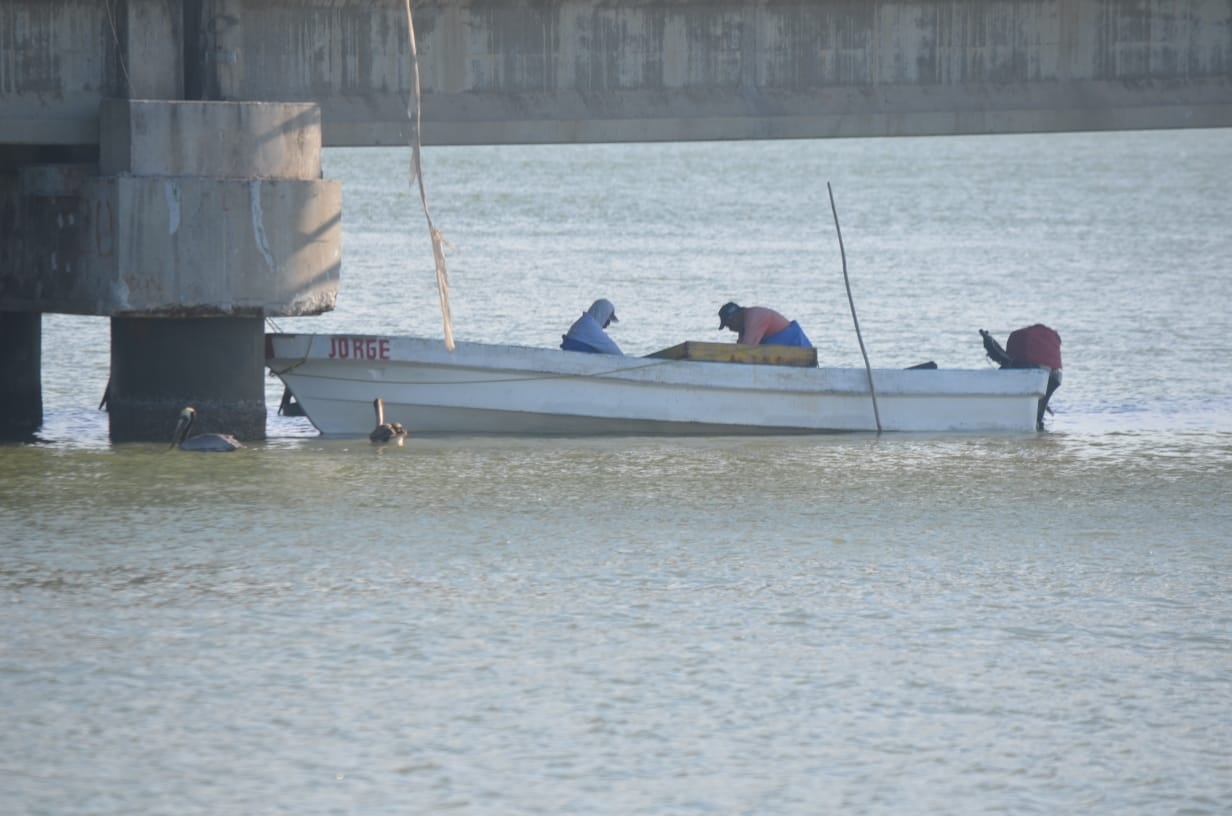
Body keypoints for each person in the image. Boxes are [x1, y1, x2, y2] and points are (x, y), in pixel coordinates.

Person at [980, 324, 1062, 430]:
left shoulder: (1019, 341)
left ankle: (1034, 424)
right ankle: (1037, 425)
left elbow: (1008, 361)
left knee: (1034, 410)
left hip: (1033, 368)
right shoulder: (1047, 340)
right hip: (1056, 374)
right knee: (1038, 408)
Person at [717, 302, 813, 347]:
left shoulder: (754, 317)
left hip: (798, 347)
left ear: (734, 318)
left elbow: (746, 349)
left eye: (729, 325)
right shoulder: (745, 328)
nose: (730, 329)